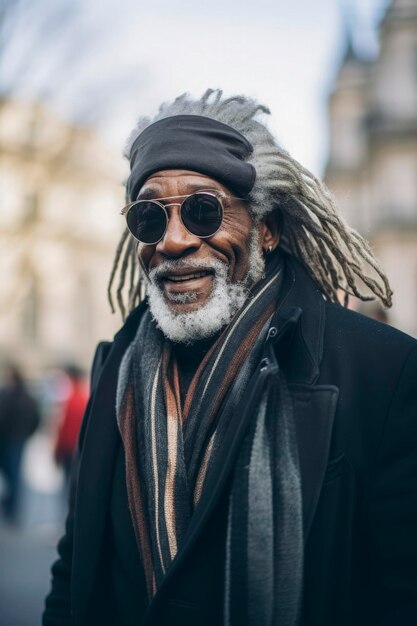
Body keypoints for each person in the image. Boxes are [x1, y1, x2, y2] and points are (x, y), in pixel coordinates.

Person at [43, 90, 417, 626]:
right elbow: (74, 572)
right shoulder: (115, 369)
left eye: (202, 211)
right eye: (150, 218)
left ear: (265, 227)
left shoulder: (384, 372)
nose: (172, 242)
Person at [0, 364, 40, 523]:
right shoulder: (14, 395)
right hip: (12, 440)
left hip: (14, 440)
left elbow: (35, 419)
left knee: (14, 476)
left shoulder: (14, 396)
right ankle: (10, 505)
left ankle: (12, 508)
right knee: (12, 474)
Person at [53, 365, 88, 488]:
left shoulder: (71, 399)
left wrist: (57, 451)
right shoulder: (84, 398)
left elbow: (63, 428)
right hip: (79, 449)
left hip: (69, 449)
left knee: (69, 485)